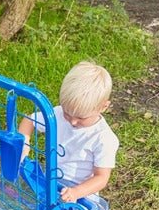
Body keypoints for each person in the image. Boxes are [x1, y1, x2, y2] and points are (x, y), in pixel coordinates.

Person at [19, 61, 119, 202]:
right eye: (67, 113)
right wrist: (24, 143)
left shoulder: (104, 139)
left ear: (104, 107)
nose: (72, 122)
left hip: (81, 198)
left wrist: (77, 192)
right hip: (51, 185)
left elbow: (101, 177)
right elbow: (29, 121)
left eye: (80, 117)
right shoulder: (58, 114)